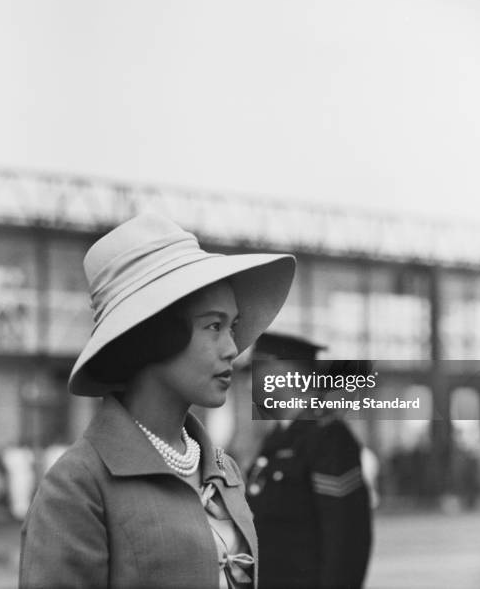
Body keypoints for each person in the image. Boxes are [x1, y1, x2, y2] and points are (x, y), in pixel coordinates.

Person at [19, 213, 295, 589]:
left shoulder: (224, 470)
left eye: (232, 327)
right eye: (213, 326)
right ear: (154, 335)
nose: (233, 349)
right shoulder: (77, 487)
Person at [247, 332, 372, 589]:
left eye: (255, 371)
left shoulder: (328, 438)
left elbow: (346, 539)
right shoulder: (278, 438)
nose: (250, 383)